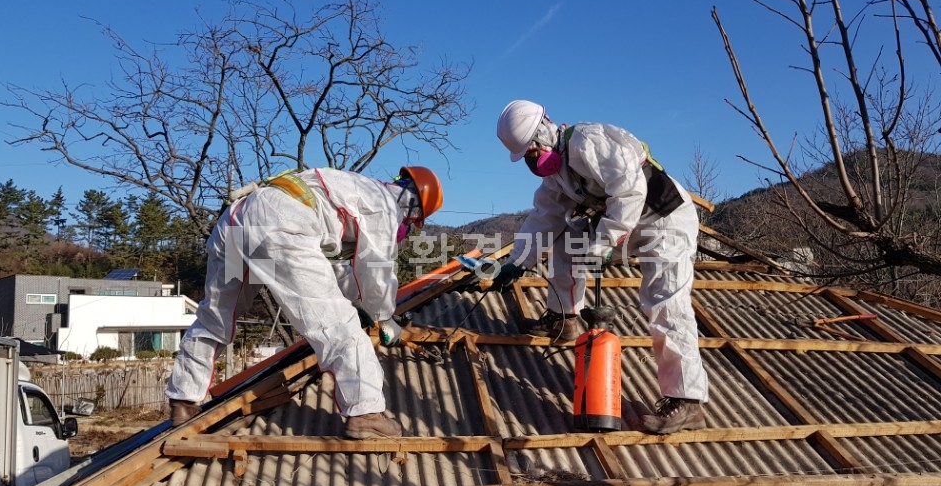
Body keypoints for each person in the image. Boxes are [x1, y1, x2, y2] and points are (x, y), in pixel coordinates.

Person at [165, 165, 443, 438]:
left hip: (237, 223)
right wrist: (384, 316)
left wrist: (359, 303)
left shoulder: (352, 190)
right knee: (338, 325)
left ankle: (183, 399)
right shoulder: (385, 206)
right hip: (280, 224)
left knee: (217, 315)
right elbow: (375, 270)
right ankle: (366, 413)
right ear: (414, 210)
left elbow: (333, 269)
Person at [493, 99, 708, 434]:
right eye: (527, 158)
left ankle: (687, 400)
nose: (533, 162)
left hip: (665, 221)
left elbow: (630, 193)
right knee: (568, 236)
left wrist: (603, 244)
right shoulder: (558, 177)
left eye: (533, 152)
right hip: (631, 225)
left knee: (665, 301)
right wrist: (518, 261)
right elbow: (544, 218)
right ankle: (564, 318)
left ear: (545, 132)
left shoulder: (590, 142)